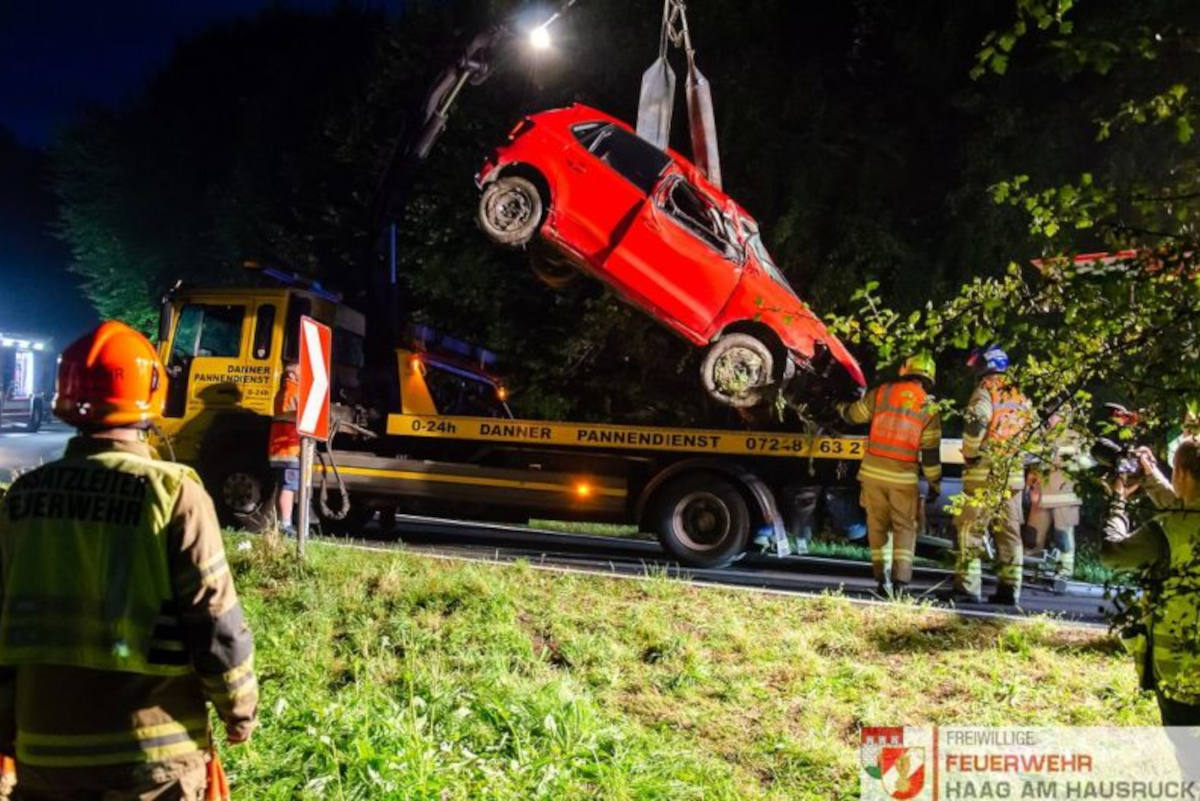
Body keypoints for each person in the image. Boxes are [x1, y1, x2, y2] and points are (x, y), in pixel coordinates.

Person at [0, 321, 257, 799]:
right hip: (151, 759)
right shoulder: (174, 493)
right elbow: (214, 619)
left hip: (45, 753)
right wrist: (238, 708)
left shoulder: (21, 498)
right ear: (153, 390)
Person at [1102, 437, 1200, 726]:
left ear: (1180, 473)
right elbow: (1184, 507)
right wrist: (1149, 478)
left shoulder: (1166, 531)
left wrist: (1117, 502)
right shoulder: (1184, 518)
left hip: (1183, 672)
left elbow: (1113, 554)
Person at [838, 353, 942, 597]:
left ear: (906, 369)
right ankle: (901, 583)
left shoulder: (883, 392)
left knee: (877, 526)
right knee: (905, 529)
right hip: (903, 480)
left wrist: (839, 408)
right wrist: (934, 482)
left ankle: (881, 578)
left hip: (873, 475)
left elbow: (853, 415)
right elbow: (929, 452)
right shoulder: (929, 406)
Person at [950, 345, 1032, 606]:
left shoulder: (987, 391)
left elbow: (976, 423)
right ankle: (1010, 590)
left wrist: (971, 453)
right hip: (1012, 477)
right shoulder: (1021, 398)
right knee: (1009, 535)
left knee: (970, 530)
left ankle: (968, 589)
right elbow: (1035, 438)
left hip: (984, 475)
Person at [1026, 418, 1084, 585]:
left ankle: (1064, 572)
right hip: (1041, 498)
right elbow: (1032, 463)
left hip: (1065, 498)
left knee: (1063, 538)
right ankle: (1031, 568)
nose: (1052, 417)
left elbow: (1080, 463)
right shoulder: (1040, 435)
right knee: (1032, 537)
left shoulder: (1074, 437)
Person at [269, 362, 301, 536]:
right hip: (291, 447)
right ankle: (286, 525)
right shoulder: (295, 392)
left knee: (282, 486)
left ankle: (277, 522)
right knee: (289, 487)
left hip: (279, 448)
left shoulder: (281, 392)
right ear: (295, 376)